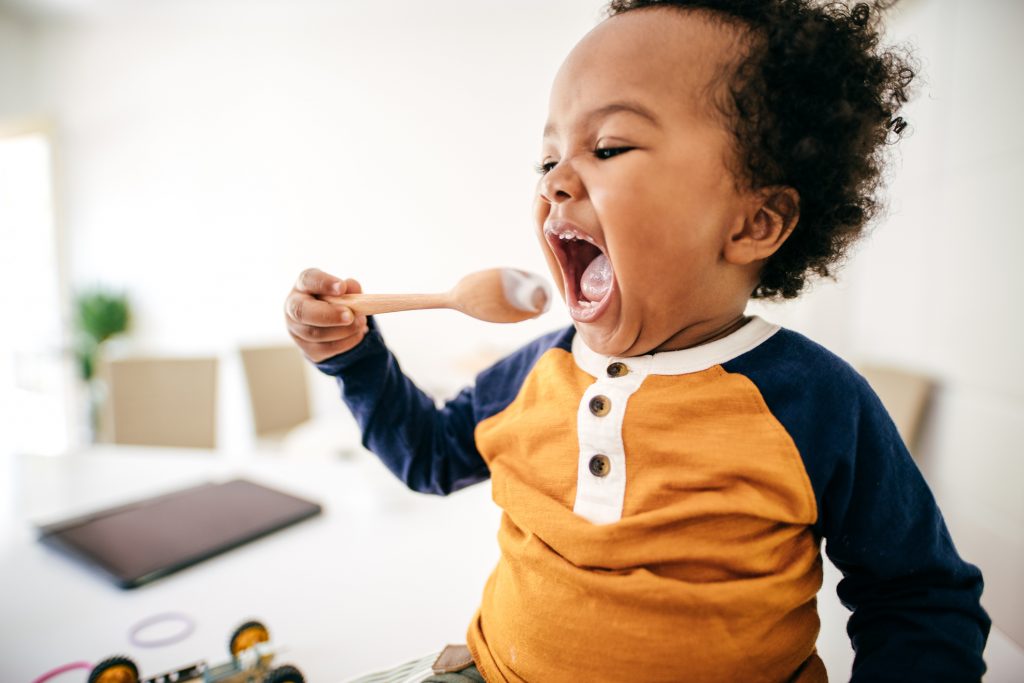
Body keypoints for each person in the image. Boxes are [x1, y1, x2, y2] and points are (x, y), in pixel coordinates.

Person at [284, 1, 990, 681]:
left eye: (609, 146)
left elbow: (918, 600)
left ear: (755, 223)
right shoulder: (538, 371)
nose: (556, 183)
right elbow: (430, 455)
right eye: (547, 159)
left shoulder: (816, 401)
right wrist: (352, 357)